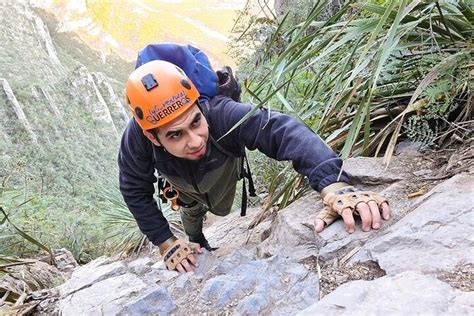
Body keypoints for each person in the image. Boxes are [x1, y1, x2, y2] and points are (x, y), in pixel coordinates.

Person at [118, 59, 390, 273]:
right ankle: (197, 238)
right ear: (152, 136)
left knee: (217, 204)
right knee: (190, 210)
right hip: (179, 182)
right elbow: (134, 188)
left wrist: (334, 184)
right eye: (175, 134)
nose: (195, 140)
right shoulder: (137, 141)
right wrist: (165, 242)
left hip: (221, 167)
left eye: (196, 122)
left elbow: (280, 130)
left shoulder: (221, 114)